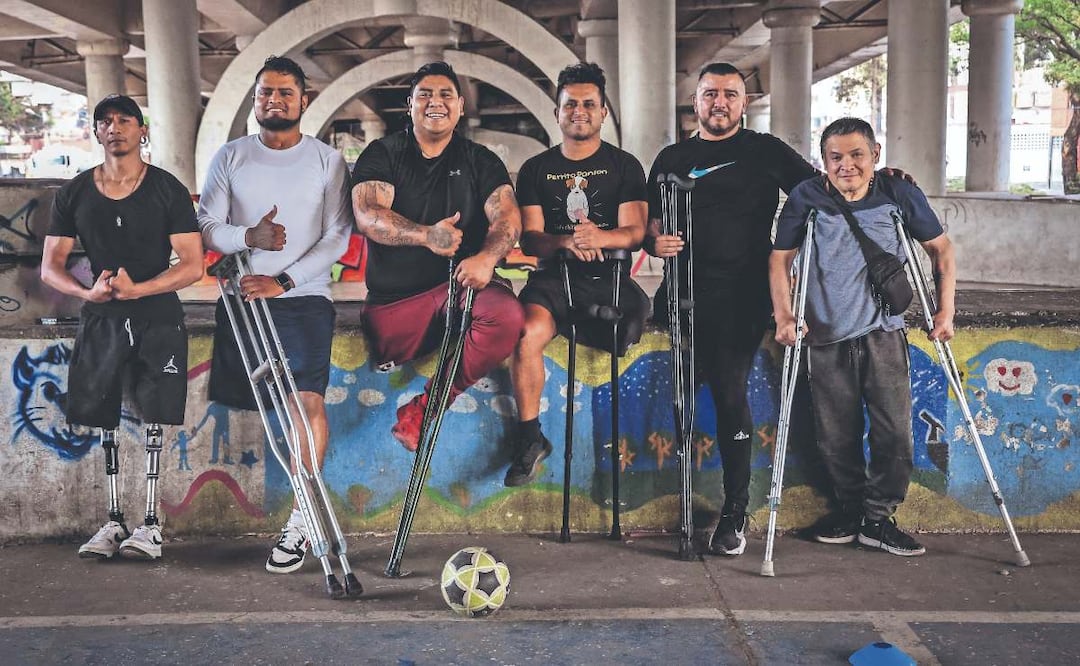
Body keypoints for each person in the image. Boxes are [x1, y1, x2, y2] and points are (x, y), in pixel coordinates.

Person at [644, 63, 819, 557]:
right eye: (709, 94)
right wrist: (654, 241)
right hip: (682, 295)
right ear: (695, 102)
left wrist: (881, 176)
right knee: (679, 401)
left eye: (730, 94)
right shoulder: (672, 157)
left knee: (728, 392)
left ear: (743, 102)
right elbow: (645, 225)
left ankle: (734, 511)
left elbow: (821, 190)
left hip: (743, 297)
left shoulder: (763, 151)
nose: (719, 102)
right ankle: (676, 506)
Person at [770, 117, 955, 557]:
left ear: (875, 154)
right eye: (836, 157)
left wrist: (946, 309)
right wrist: (784, 315)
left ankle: (878, 518)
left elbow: (940, 249)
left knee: (894, 433)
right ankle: (852, 510)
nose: (847, 165)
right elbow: (780, 260)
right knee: (836, 435)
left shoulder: (897, 193)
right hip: (825, 335)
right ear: (823, 160)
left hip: (883, 332)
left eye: (857, 155)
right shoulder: (806, 198)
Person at [197, 56, 353, 574]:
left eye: (286, 92)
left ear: (303, 100)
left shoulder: (328, 161)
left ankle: (303, 519)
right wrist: (251, 239)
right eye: (266, 92)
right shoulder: (231, 155)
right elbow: (206, 225)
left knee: (305, 402)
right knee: (273, 413)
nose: (274, 100)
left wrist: (283, 279)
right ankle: (304, 512)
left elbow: (338, 236)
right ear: (256, 99)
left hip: (305, 298)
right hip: (244, 302)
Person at [41, 93, 204, 560]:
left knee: (156, 413)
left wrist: (141, 288)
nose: (115, 128)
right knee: (101, 414)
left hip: (157, 315)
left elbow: (193, 265)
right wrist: (86, 293)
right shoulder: (74, 191)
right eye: (105, 121)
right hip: (101, 314)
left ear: (142, 130)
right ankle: (113, 521)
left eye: (125, 120)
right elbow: (51, 266)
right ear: (96, 132)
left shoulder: (166, 188)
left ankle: (151, 525)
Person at [351, 61, 524, 452]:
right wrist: (427, 235)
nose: (436, 102)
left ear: (461, 106)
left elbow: (508, 217)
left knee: (508, 313)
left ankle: (425, 409)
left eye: (446, 94)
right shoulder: (383, 153)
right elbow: (368, 215)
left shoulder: (480, 160)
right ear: (409, 104)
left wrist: (486, 259)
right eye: (425, 94)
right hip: (396, 308)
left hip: (460, 293)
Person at [503, 62, 649, 487]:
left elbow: (636, 232)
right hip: (552, 280)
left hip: (611, 278)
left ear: (603, 112)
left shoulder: (624, 166)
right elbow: (531, 239)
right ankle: (530, 437)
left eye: (589, 104)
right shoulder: (535, 169)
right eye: (570, 104)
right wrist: (567, 243)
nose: (579, 111)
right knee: (526, 333)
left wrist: (599, 238)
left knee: (627, 323)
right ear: (557, 113)